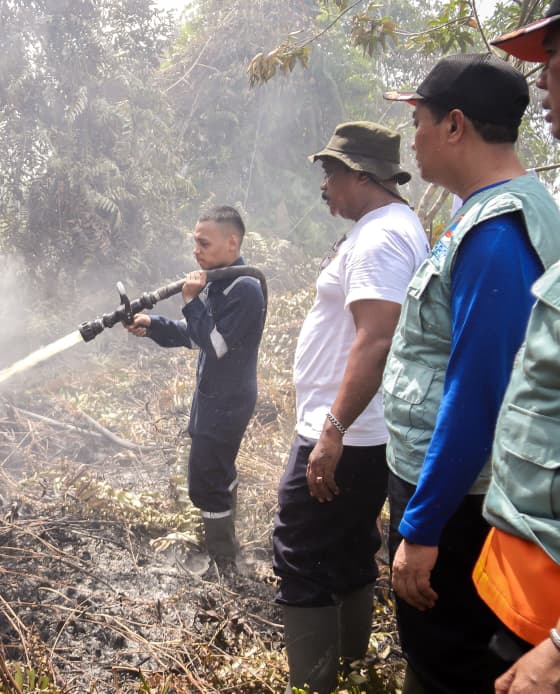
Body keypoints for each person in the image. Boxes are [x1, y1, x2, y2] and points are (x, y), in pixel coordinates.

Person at [381, 53, 560, 692]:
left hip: (460, 508)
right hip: (452, 492)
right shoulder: (487, 213)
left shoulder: (496, 232)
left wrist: (422, 526)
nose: (414, 138)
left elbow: (480, 391)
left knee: (445, 667)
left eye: (420, 120)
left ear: (455, 126)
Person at [271, 121, 427, 693]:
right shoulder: (392, 227)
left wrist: (332, 431)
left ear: (363, 174)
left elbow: (376, 338)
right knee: (350, 545)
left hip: (346, 431)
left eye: (331, 172)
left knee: (302, 552)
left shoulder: (381, 238)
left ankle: (315, 684)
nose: (325, 185)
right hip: (363, 429)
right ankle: (353, 668)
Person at [466, 11, 560, 692]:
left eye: (554, 56)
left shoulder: (501, 227)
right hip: (527, 591)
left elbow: (478, 384)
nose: (543, 80)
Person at [125, 205, 265, 575]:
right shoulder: (222, 283)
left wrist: (190, 302)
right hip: (214, 397)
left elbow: (215, 345)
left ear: (232, 242)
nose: (196, 251)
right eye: (195, 243)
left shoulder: (245, 289)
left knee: (204, 482)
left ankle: (224, 564)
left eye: (204, 243)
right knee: (217, 471)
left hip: (228, 402)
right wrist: (152, 324)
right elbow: (194, 335)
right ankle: (229, 547)